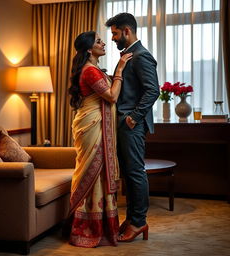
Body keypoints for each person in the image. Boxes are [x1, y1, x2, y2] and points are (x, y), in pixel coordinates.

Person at [68, 31, 132, 247]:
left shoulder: (93, 70)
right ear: (88, 49)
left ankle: (102, 223)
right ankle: (88, 227)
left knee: (100, 173)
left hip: (92, 122)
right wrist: (120, 69)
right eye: (98, 41)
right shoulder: (90, 72)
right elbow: (112, 96)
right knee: (93, 172)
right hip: (91, 125)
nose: (103, 43)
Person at [105, 13, 160, 242]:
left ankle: (138, 222)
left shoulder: (141, 56)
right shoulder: (130, 55)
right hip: (125, 123)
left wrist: (133, 118)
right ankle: (132, 218)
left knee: (135, 172)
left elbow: (153, 90)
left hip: (131, 125)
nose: (113, 38)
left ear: (126, 31)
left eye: (115, 33)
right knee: (129, 173)